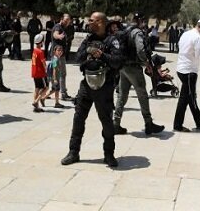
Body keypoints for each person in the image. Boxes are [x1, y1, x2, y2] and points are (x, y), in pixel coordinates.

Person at [61, 12, 125, 167]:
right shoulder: (88, 39)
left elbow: (117, 62)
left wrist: (102, 55)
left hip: (104, 87)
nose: (88, 23)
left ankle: (109, 154)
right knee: (78, 118)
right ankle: (73, 152)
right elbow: (78, 58)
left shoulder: (112, 41)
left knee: (106, 122)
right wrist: (88, 52)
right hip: (87, 85)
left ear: (101, 22)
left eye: (91, 20)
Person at [113, 13, 164, 135]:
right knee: (142, 95)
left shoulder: (126, 30)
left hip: (123, 68)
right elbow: (140, 49)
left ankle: (116, 123)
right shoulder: (137, 32)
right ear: (140, 21)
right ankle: (148, 123)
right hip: (134, 68)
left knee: (122, 96)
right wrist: (146, 63)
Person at [174, 18, 200, 132]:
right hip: (189, 71)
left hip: (181, 69)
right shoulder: (198, 37)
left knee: (188, 97)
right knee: (187, 98)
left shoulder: (185, 34)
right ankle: (178, 125)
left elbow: (180, 46)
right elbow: (199, 56)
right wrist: (194, 64)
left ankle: (198, 120)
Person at [52, 14, 72, 99]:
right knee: (62, 74)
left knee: (56, 74)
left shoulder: (63, 28)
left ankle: (52, 90)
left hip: (59, 55)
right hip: (58, 56)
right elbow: (55, 34)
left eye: (68, 21)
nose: (67, 22)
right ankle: (63, 93)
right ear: (61, 19)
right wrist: (59, 36)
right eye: (66, 20)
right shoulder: (58, 27)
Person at [31, 34, 48, 112]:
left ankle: (36, 107)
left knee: (37, 88)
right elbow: (43, 63)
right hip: (40, 73)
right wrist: (46, 70)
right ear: (41, 42)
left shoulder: (34, 50)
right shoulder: (40, 51)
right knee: (46, 87)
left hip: (34, 72)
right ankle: (36, 101)